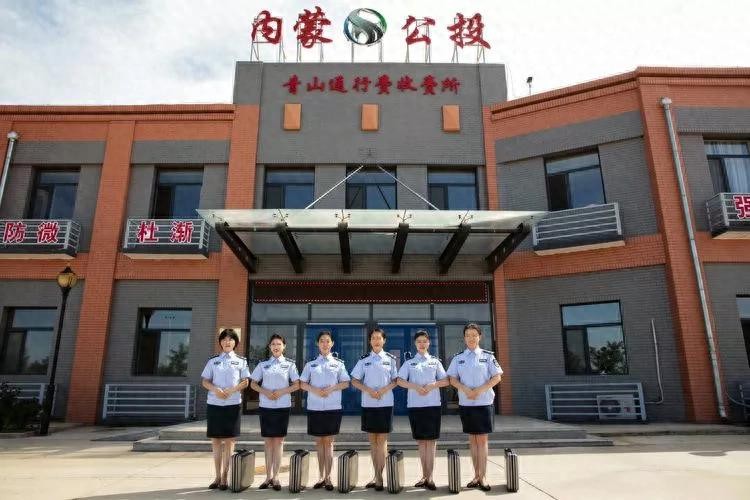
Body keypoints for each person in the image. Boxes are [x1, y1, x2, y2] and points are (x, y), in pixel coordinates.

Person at [446, 323, 503, 492]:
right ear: (464, 338)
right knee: (472, 440)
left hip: (484, 403)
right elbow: (452, 379)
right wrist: (465, 389)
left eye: (474, 335)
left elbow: (497, 377)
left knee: (482, 440)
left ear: (480, 337)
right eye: (468, 335)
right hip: (467, 403)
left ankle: (483, 477)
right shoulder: (458, 358)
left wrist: (478, 390)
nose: (471, 338)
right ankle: (476, 475)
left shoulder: (488, 356)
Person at [396, 330, 449, 490]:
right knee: (421, 441)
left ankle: (430, 477)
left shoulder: (435, 362)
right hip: (415, 406)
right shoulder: (409, 363)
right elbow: (399, 381)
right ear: (415, 344)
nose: (422, 344)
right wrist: (414, 386)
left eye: (424, 341)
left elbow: (446, 381)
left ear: (429, 343)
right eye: (419, 341)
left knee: (431, 442)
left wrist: (433, 385)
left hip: (432, 405)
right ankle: (424, 476)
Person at [299, 330, 351, 490]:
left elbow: (346, 383)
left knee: (329, 442)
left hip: (332, 407)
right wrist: (315, 390)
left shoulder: (339, 363)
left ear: (332, 343)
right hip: (315, 407)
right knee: (319, 442)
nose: (325, 344)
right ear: (317, 344)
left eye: (328, 341)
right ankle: (321, 476)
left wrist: (332, 388)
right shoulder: (310, 364)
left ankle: (328, 477)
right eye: (322, 341)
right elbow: (302, 383)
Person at [200, 328, 250, 490]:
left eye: (231, 339)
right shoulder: (213, 361)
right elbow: (205, 381)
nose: (227, 342)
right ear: (220, 342)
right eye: (224, 339)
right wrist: (215, 389)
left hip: (232, 404)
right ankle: (217, 476)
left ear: (236, 342)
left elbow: (245, 381)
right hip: (215, 404)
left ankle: (225, 477)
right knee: (216, 440)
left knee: (229, 441)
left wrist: (232, 390)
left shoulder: (241, 361)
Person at [249, 334, 300, 490]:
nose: (276, 346)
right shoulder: (263, 364)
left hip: (282, 406)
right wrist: (265, 392)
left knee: (279, 441)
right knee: (268, 442)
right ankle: (268, 477)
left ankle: (276, 477)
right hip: (266, 406)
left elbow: (297, 384)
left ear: (284, 346)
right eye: (273, 344)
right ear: (269, 347)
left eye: (279, 344)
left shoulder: (290, 364)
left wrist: (282, 392)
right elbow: (253, 384)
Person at [350, 327, 398, 491]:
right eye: (373, 338)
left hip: (385, 404)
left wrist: (383, 390)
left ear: (384, 340)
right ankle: (376, 475)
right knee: (373, 442)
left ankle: (379, 477)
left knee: (382, 441)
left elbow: (396, 380)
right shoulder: (364, 360)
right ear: (370, 341)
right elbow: (354, 380)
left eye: (379, 338)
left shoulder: (391, 359)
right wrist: (368, 390)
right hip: (369, 404)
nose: (376, 341)